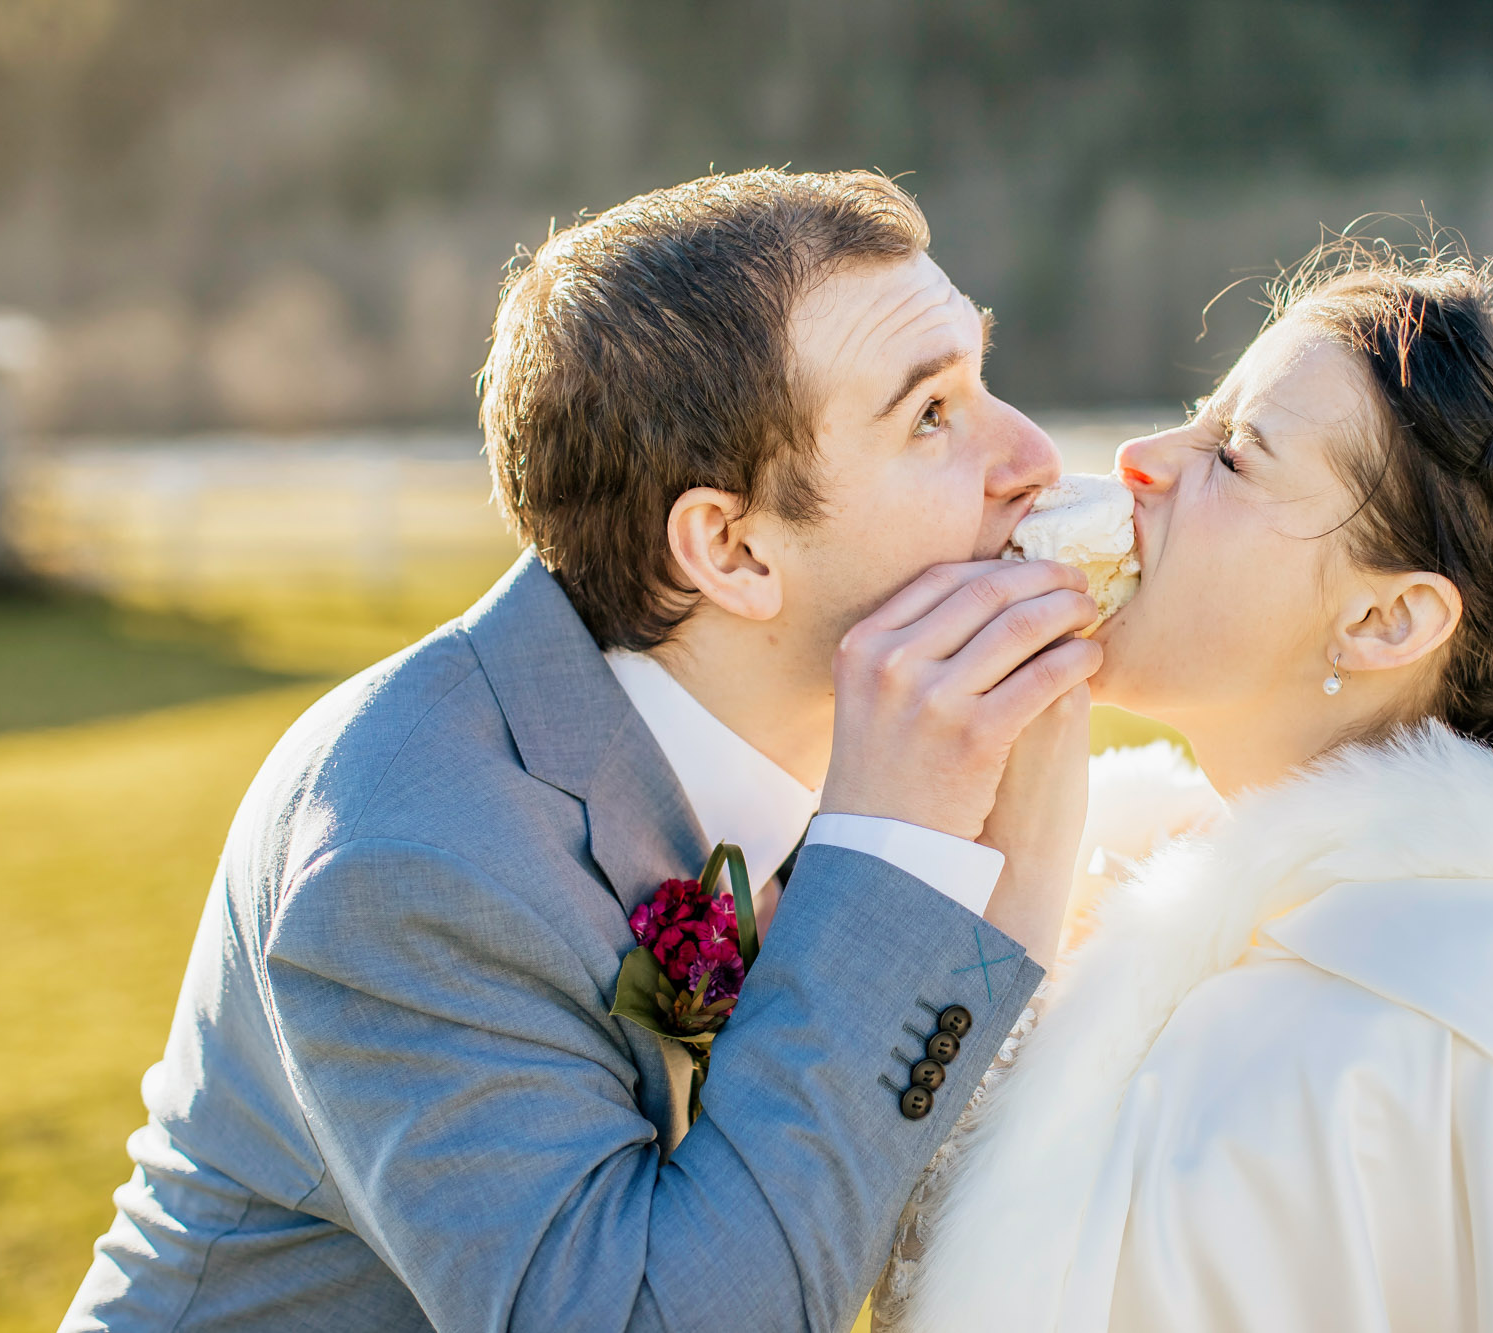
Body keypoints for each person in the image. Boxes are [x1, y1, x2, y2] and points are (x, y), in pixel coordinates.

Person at [61, 169, 1103, 1332]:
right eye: (930, 414)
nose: (1034, 458)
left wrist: (1027, 806)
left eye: (981, 379)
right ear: (733, 550)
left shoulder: (820, 737)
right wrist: (890, 853)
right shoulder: (409, 862)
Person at [878, 244, 1493, 1332]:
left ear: (1385, 620)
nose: (1145, 456)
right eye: (1199, 412)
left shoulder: (1436, 1049)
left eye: (1234, 457)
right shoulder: (1116, 882)